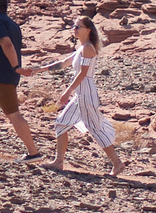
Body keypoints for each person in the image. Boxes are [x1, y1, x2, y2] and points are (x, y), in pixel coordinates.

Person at [49, 16, 123, 175]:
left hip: (86, 94)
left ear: (88, 30)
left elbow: (83, 74)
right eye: (74, 26)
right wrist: (36, 70)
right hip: (80, 95)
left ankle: (117, 163)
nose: (74, 29)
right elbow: (62, 64)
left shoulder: (88, 48)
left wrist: (68, 91)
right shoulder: (81, 49)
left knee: (95, 128)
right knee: (61, 123)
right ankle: (59, 161)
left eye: (78, 26)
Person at [0, 0, 44, 160]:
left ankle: (33, 152)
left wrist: (16, 67)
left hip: (2, 75)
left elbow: (6, 44)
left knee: (13, 113)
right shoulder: (12, 24)